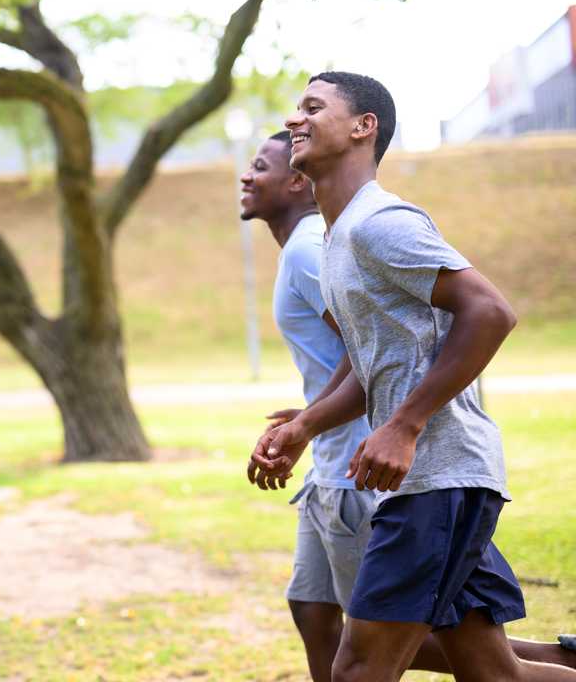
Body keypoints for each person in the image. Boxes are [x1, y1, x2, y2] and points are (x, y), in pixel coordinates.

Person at [249, 71, 576, 681]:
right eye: (296, 109)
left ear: (362, 127)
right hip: (437, 485)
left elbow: (490, 311)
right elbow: (375, 367)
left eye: (313, 108)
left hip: (439, 482)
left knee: (357, 668)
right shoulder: (341, 236)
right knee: (490, 672)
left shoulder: (382, 223)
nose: (295, 119)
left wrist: (405, 424)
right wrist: (305, 428)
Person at [239, 129, 377, 681]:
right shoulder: (301, 245)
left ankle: (549, 662)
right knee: (313, 611)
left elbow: (366, 344)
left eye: (259, 167)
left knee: (388, 642)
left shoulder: (306, 248)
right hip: (327, 467)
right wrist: (304, 423)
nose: (246, 176)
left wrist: (307, 422)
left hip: (355, 473)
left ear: (297, 180)